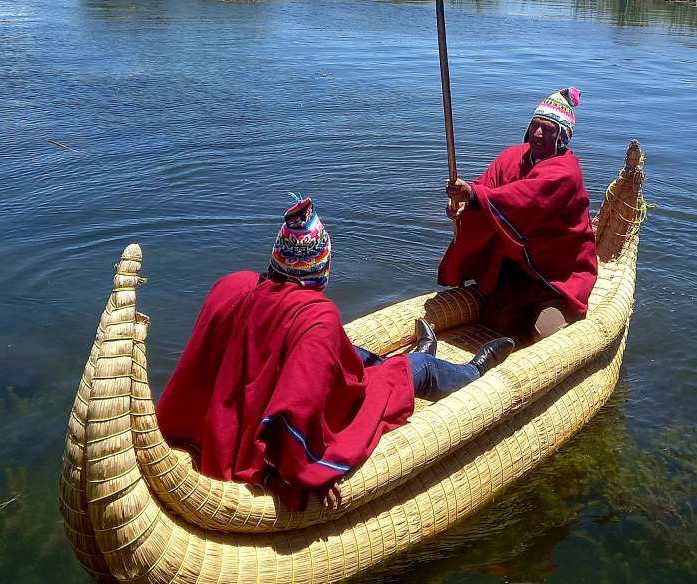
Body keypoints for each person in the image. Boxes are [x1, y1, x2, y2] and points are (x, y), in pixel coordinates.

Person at [155, 196, 514, 511]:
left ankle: (412, 355)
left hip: (235, 415)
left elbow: (202, 365)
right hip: (262, 438)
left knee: (344, 351)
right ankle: (472, 372)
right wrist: (312, 470)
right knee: (418, 369)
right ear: (320, 263)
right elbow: (298, 413)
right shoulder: (316, 316)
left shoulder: (235, 286)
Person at [439, 86, 598, 343]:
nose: (537, 133)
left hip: (557, 275)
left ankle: (561, 314)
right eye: (535, 125)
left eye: (548, 129)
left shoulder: (566, 172)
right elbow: (484, 187)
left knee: (546, 334)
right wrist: (461, 205)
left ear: (562, 137)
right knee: (497, 322)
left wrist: (474, 196)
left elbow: (525, 199)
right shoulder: (512, 157)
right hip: (518, 268)